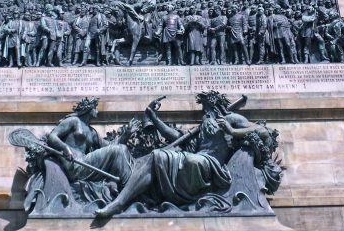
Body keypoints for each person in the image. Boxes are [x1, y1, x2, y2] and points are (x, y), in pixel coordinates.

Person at [93, 92, 271, 218]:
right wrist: (154, 119)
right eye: (204, 108)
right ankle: (122, 194)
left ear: (215, 104)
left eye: (207, 107)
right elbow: (179, 138)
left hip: (211, 165)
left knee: (158, 156)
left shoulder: (230, 118)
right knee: (150, 158)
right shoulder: (205, 124)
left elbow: (262, 131)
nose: (204, 111)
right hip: (197, 161)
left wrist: (232, 131)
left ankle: (119, 204)